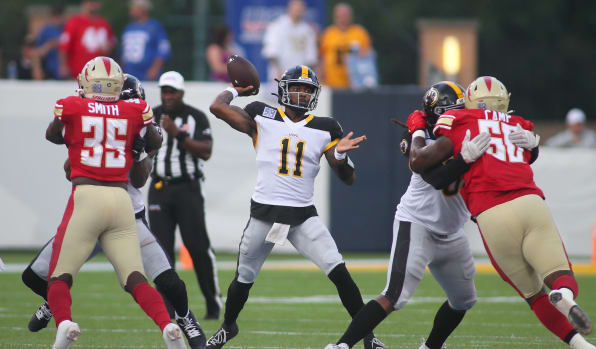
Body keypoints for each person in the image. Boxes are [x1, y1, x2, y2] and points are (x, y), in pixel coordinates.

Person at [408, 76, 596, 349]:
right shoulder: (518, 124)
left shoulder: (458, 120)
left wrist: (417, 132)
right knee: (559, 273)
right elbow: (526, 153)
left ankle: (580, 345)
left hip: (491, 213)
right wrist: (534, 149)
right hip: (530, 203)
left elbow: (422, 163)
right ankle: (565, 295)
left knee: (534, 295)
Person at [206, 65, 383, 349]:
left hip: (302, 218)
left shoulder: (326, 127)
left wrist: (338, 155)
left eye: (307, 89)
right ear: (284, 89)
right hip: (264, 215)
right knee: (243, 278)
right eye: (297, 87)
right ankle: (229, 326)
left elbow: (347, 178)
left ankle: (368, 336)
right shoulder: (261, 114)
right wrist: (234, 90)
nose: (301, 94)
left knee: (339, 272)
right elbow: (217, 107)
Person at [24, 74, 207, 349]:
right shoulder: (110, 121)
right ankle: (54, 305)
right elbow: (68, 169)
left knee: (170, 282)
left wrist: (134, 151)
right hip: (94, 213)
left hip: (127, 217)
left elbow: (140, 179)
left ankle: (184, 317)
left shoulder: (142, 128)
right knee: (34, 275)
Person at [325, 82, 484, 349]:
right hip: (418, 223)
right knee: (394, 295)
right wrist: (424, 133)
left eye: (460, 110)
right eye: (451, 112)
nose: (458, 116)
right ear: (436, 115)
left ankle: (431, 346)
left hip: (451, 231)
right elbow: (428, 171)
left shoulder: (468, 135)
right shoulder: (421, 138)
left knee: (464, 300)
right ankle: (341, 346)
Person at [148, 71, 221, 320]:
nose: (167, 96)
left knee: (198, 247)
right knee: (161, 252)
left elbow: (206, 151)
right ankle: (167, 309)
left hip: (187, 189)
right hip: (159, 189)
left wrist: (177, 133)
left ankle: (212, 302)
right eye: (164, 91)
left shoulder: (196, 117)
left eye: (172, 92)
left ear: (181, 93)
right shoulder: (151, 115)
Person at [262, 0, 318, 92]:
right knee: (277, 104)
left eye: (300, 9)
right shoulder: (277, 25)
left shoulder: (307, 30)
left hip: (300, 81)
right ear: (289, 8)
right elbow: (271, 53)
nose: (298, 11)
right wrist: (279, 72)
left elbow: (311, 59)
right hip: (279, 78)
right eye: (296, 8)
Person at [319, 3, 372, 89]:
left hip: (355, 85)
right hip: (332, 84)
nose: (342, 18)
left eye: (345, 15)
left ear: (351, 16)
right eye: (340, 15)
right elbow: (321, 59)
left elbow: (368, 58)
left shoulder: (360, 33)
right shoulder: (328, 34)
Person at [58, 0, 115, 79]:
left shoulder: (104, 23)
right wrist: (63, 66)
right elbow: (64, 46)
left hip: (100, 74)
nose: (93, 4)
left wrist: (109, 47)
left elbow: (111, 42)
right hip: (78, 72)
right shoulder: (74, 22)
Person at [120, 0, 171, 81]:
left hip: (146, 74)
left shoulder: (155, 27)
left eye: (134, 8)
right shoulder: (129, 28)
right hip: (129, 73)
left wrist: (155, 69)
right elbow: (123, 53)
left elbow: (163, 50)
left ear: (142, 9)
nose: (131, 11)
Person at [35, 3, 65, 79]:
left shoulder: (67, 28)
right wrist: (50, 44)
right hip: (49, 71)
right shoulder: (45, 31)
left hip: (65, 71)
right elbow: (38, 53)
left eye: (60, 15)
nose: (58, 18)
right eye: (56, 16)